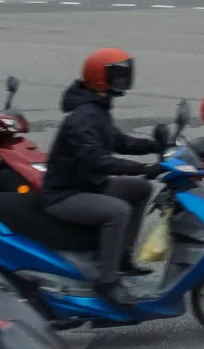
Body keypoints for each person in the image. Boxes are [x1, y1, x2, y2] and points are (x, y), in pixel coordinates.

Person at [42, 48, 163, 303]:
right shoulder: (83, 116)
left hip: (88, 184)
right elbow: (97, 160)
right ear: (100, 78)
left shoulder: (96, 106)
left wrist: (153, 146)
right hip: (66, 194)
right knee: (117, 211)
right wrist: (144, 169)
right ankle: (107, 281)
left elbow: (117, 140)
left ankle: (121, 258)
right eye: (118, 74)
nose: (124, 79)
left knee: (140, 190)